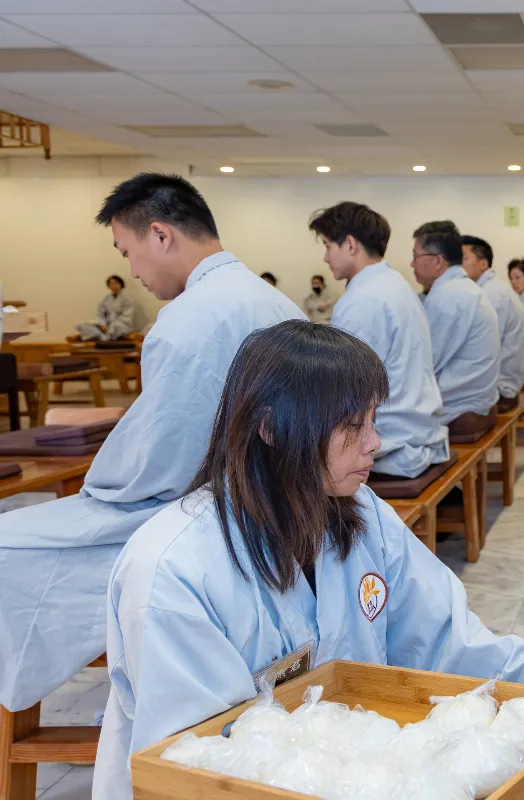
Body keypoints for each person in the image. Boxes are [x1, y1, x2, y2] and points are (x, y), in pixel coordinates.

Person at [92, 321, 524, 799]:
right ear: (268, 427)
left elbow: (447, 640)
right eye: (352, 425)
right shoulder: (176, 571)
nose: (376, 443)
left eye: (373, 419)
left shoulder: (358, 511)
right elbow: (199, 764)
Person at [0, 173, 303, 715]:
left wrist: (105, 474)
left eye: (128, 251)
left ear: (161, 235)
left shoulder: (188, 319)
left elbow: (157, 467)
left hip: (212, 513)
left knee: (12, 544)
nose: (132, 271)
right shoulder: (275, 301)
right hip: (273, 504)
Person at [309, 202, 448, 478]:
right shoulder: (397, 285)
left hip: (394, 444)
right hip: (419, 429)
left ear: (350, 244)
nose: (325, 258)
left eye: (327, 246)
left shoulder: (362, 300)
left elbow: (343, 390)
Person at [412, 221, 501, 438]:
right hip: (478, 400)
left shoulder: (447, 296)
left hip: (460, 410)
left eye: (415, 256)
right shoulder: (461, 288)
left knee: (378, 430)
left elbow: (427, 363)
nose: (411, 264)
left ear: (437, 261)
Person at [463, 235, 524, 412]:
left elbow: (484, 349)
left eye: (465, 259)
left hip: (500, 386)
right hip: (504, 378)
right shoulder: (492, 288)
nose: (458, 265)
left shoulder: (490, 294)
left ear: (483, 264)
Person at [76, 274, 136, 342]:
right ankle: (103, 337)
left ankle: (103, 338)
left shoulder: (127, 300)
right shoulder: (105, 299)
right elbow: (100, 314)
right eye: (111, 284)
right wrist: (101, 325)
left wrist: (111, 325)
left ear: (121, 284)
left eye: (116, 283)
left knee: (115, 327)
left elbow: (126, 317)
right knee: (81, 325)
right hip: (105, 326)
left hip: (120, 325)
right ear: (109, 286)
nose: (114, 286)